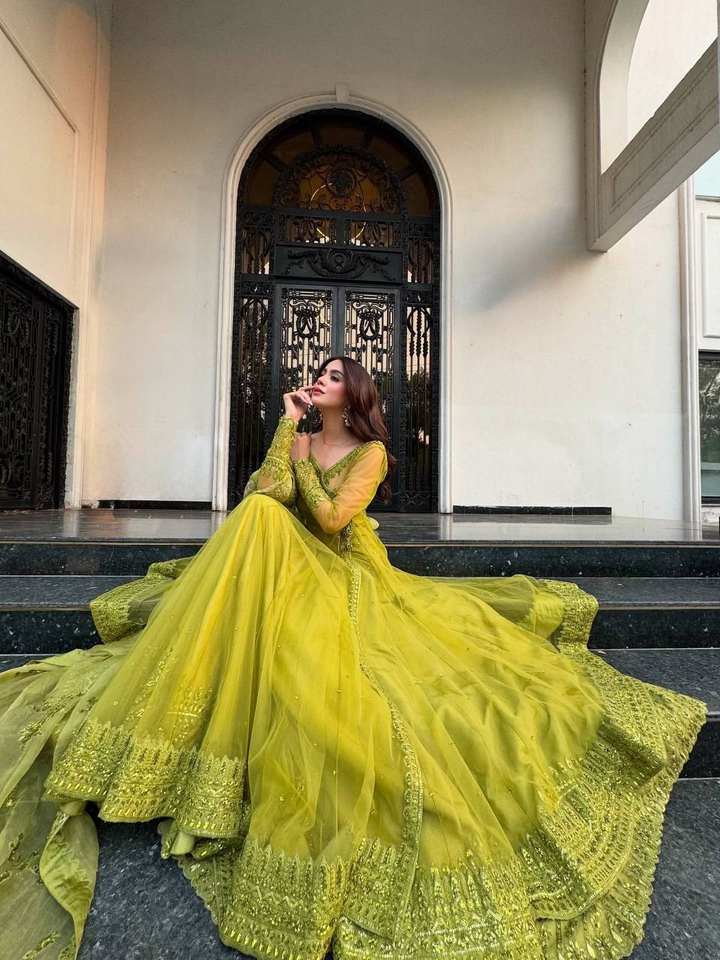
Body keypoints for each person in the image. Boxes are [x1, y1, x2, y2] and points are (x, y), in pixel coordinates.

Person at [0, 355, 707, 960]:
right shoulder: (301, 434)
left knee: (269, 532)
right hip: (282, 557)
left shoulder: (371, 454)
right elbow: (261, 494)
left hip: (343, 569)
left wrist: (304, 468)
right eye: (319, 372)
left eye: (335, 376)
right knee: (257, 515)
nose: (320, 379)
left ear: (356, 393)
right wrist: (288, 429)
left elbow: (334, 520)